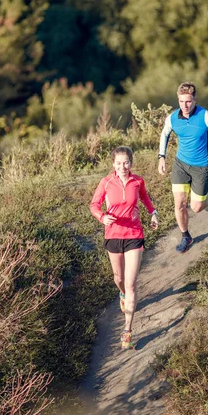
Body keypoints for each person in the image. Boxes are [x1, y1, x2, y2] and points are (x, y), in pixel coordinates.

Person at [90, 146, 158, 350]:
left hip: (134, 235)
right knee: (118, 279)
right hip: (113, 235)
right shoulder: (106, 182)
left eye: (126, 162)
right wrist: (102, 217)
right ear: (113, 164)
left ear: (131, 163)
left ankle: (127, 330)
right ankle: (122, 294)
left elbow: (145, 199)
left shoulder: (138, 181)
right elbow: (94, 205)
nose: (122, 166)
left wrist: (153, 213)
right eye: (119, 163)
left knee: (131, 284)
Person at [158, 82, 208, 253]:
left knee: (197, 207)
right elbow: (164, 134)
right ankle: (186, 236)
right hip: (180, 165)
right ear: (178, 100)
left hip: (201, 167)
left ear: (195, 100)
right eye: (181, 101)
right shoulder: (172, 118)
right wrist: (161, 157)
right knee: (179, 204)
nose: (185, 105)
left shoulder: (206, 116)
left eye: (189, 102)